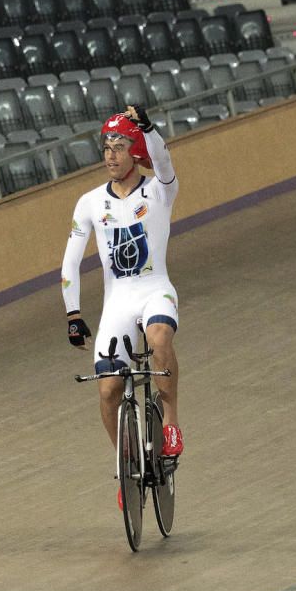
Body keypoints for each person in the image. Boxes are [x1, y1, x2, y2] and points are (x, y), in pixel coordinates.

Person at [61, 105, 184, 505]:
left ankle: (169, 422)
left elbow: (164, 160)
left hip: (154, 290)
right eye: (107, 146)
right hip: (117, 301)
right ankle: (124, 463)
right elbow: (70, 262)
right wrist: (73, 313)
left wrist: (149, 128)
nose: (111, 154)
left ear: (136, 151)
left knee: (159, 335)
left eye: (120, 145)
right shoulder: (90, 202)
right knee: (108, 389)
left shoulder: (159, 189)